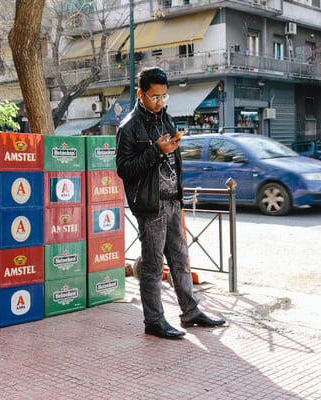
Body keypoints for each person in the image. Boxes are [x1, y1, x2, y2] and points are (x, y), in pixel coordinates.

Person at [116, 67, 226, 340]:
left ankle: (191, 312)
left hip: (172, 201)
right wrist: (156, 150)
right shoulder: (129, 126)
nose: (160, 102)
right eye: (155, 97)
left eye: (164, 97)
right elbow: (124, 169)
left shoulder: (166, 119)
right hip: (150, 206)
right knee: (153, 266)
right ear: (141, 94)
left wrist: (173, 150)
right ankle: (154, 321)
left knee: (181, 261)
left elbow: (172, 161)